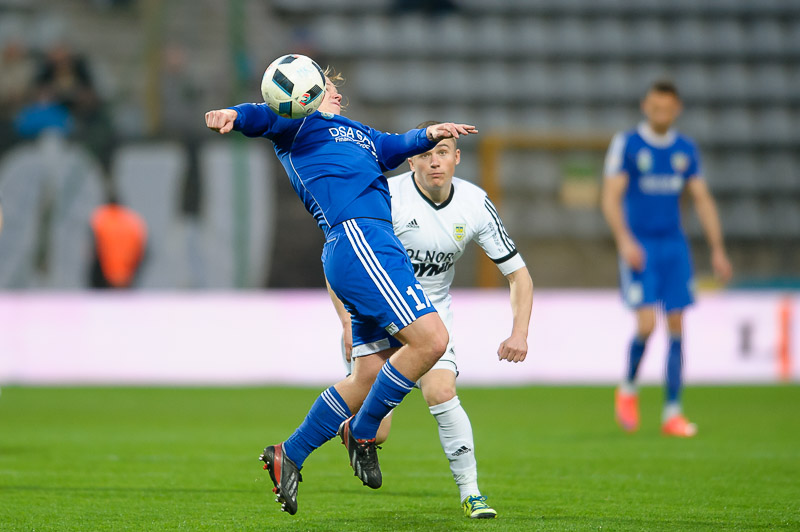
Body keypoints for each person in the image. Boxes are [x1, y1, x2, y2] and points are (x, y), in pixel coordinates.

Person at [205, 63, 477, 515]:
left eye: (329, 84)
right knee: (432, 340)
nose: (329, 90)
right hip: (358, 238)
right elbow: (260, 116)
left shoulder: (354, 131)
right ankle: (364, 429)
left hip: (370, 246)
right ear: (304, 96)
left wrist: (429, 135)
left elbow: (394, 145)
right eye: (320, 85)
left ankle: (288, 454)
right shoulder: (296, 125)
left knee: (368, 375)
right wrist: (232, 114)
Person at [331, 121, 532, 518]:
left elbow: (519, 275)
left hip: (432, 317)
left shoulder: (474, 203)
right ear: (411, 161)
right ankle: (349, 429)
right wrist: (346, 322)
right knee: (379, 429)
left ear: (457, 157)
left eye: (443, 153)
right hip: (380, 316)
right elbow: (342, 258)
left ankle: (472, 494)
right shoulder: (385, 196)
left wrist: (519, 333)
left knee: (441, 392)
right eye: (426, 154)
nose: (435, 162)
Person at [601, 79, 733, 437]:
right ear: (646, 107)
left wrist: (717, 248)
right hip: (641, 245)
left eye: (668, 108)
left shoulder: (685, 149)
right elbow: (611, 197)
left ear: (677, 110)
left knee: (677, 327)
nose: (661, 113)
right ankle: (628, 388)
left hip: (674, 246)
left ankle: (672, 412)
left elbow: (702, 199)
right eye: (655, 107)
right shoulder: (627, 144)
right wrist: (625, 241)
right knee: (646, 325)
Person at [89, 189, 148, 289]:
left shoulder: (101, 219)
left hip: (106, 279)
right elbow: (143, 251)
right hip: (127, 278)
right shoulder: (134, 222)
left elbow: (95, 251)